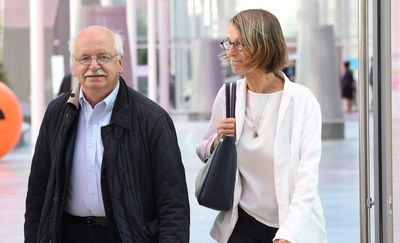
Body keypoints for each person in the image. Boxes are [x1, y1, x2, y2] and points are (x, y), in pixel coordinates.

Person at [24, 25, 190, 243]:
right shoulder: (57, 113)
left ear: (120, 63)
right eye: (84, 58)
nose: (94, 66)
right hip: (68, 234)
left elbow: (173, 202)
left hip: (126, 236)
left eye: (103, 56)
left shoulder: (152, 119)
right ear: (74, 66)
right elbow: (38, 191)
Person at [196, 9, 327, 243]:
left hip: (294, 225)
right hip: (243, 224)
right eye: (229, 43)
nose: (231, 52)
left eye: (240, 44)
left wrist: (287, 234)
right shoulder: (228, 95)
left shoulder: (302, 101)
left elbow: (307, 177)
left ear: (264, 45)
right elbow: (203, 150)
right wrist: (218, 139)